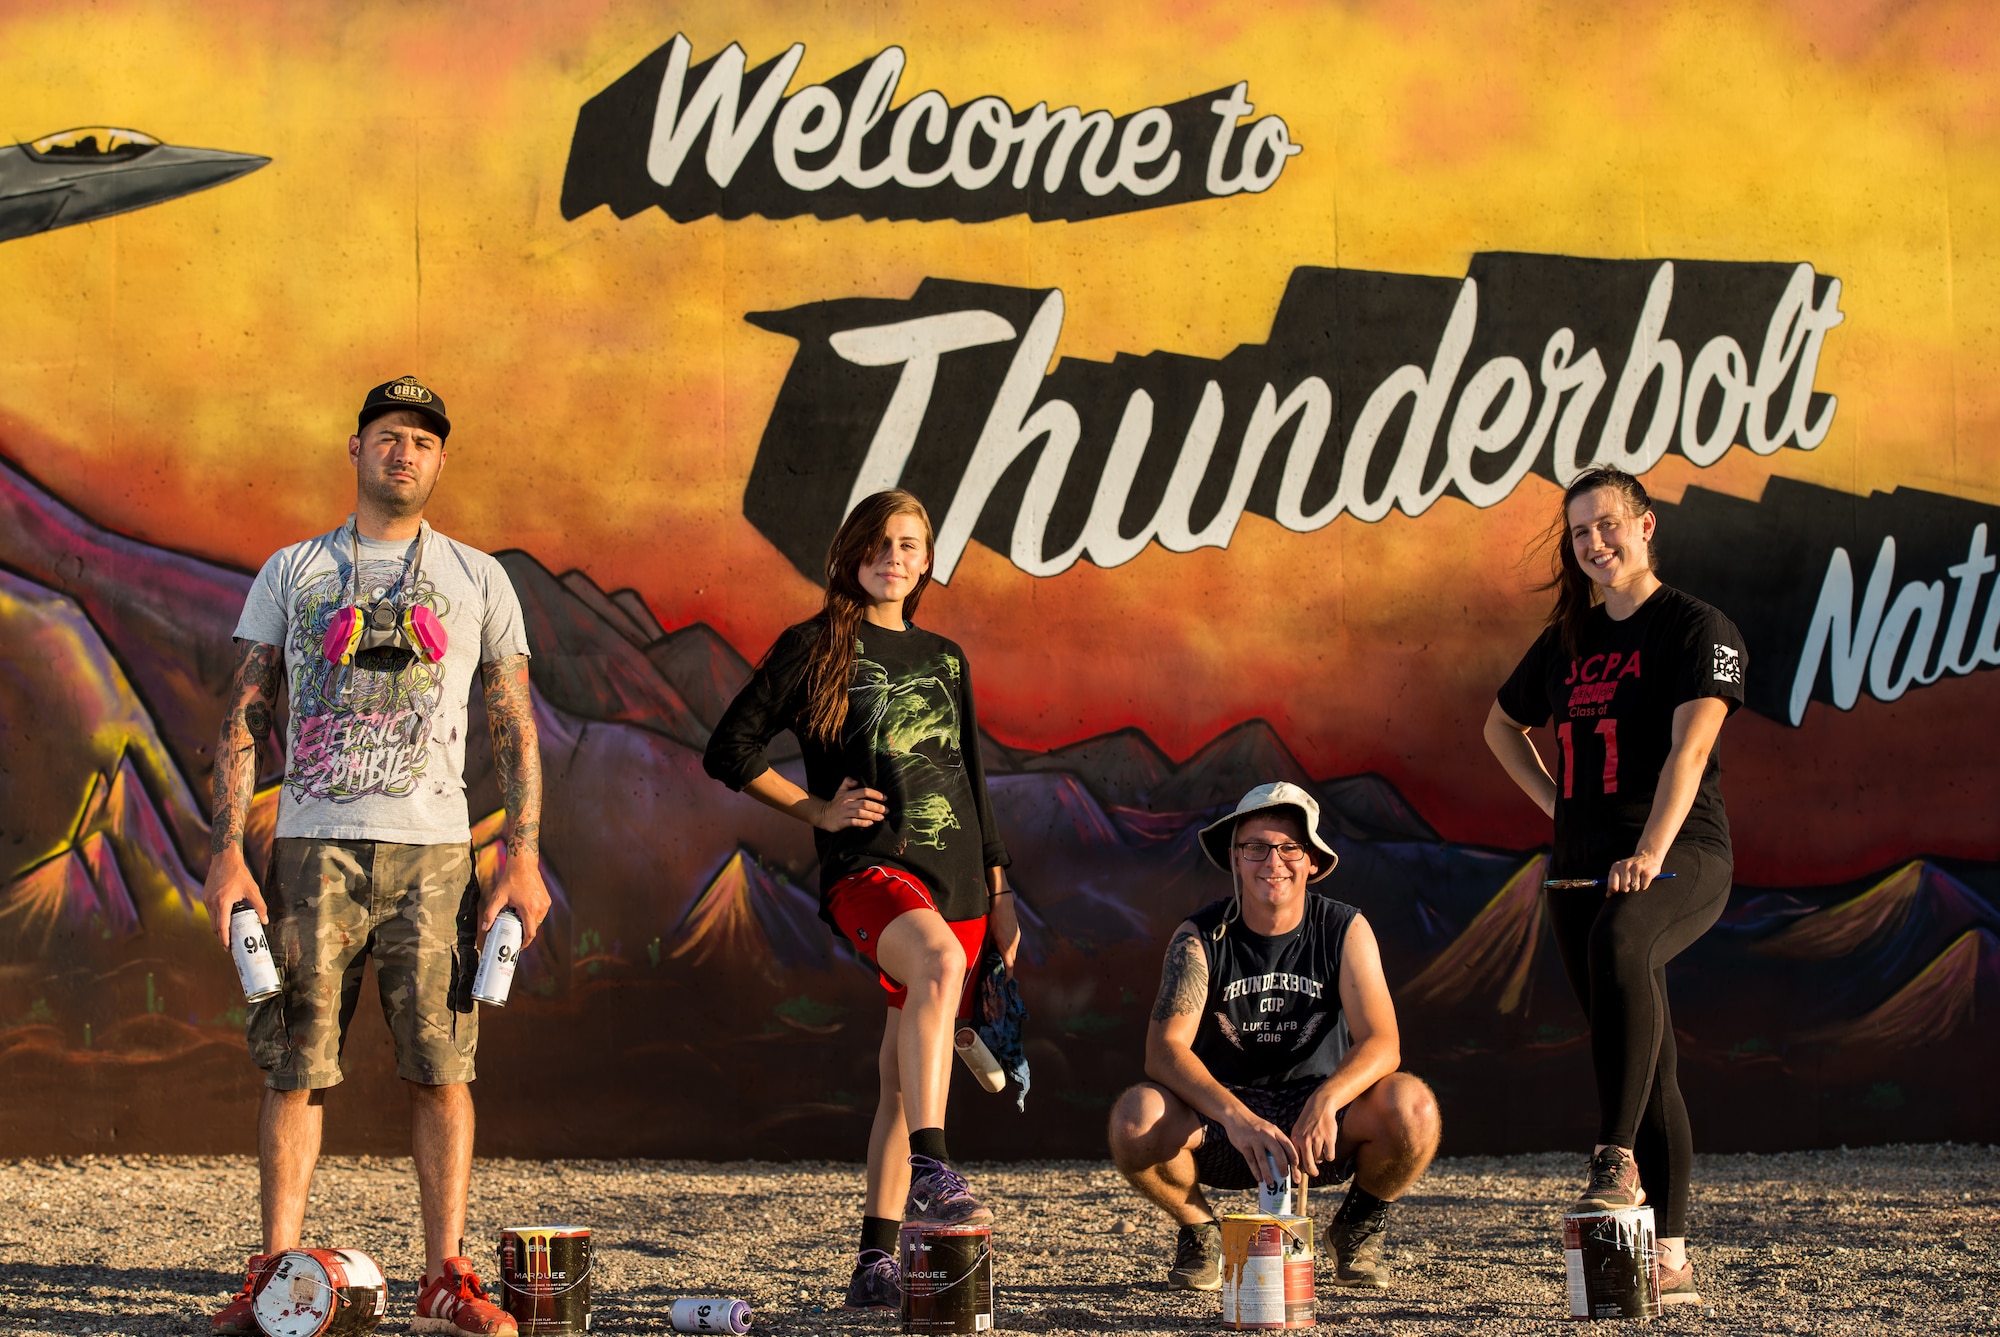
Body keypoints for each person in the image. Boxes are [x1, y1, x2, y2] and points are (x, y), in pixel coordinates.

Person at [201, 376, 551, 1337]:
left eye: (425, 442)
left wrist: (521, 858)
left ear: (441, 462)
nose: (406, 452)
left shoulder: (479, 577)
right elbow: (246, 710)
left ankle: (447, 1274)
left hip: (436, 855)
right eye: (389, 436)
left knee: (443, 1067)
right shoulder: (294, 570)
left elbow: (513, 723)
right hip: (312, 849)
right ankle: (274, 1270)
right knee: (294, 1066)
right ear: (353, 448)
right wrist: (229, 852)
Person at [702, 488, 1018, 1311]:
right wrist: (813, 808)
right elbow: (728, 746)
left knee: (898, 1076)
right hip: (869, 870)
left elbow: (972, 784)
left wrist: (1001, 889)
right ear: (850, 554)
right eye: (879, 543)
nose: (894, 557)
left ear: (927, 558)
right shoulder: (812, 648)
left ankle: (875, 1261)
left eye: (910, 544)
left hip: (958, 881)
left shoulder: (946, 658)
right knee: (938, 966)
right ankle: (935, 1164)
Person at [1483, 465, 1745, 1308]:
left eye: (1608, 525)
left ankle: (1613, 1158)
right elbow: (1500, 724)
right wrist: (1559, 807)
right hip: (1580, 862)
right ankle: (1669, 1254)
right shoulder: (1568, 637)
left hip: (1679, 852)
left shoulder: (1699, 627)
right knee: (1644, 1050)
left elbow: (1689, 753)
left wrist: (1649, 849)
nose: (1595, 544)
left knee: (1623, 939)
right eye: (1580, 532)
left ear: (1645, 525)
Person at [1107, 782, 1442, 1293]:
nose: (1273, 861)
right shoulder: (1198, 937)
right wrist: (1237, 1118)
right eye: (1256, 847)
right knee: (1135, 1119)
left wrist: (1329, 1099)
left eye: (1290, 847)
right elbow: (1164, 1049)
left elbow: (1382, 1042)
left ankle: (1356, 1227)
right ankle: (1201, 1233)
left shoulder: (1344, 928)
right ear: (1235, 859)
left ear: (1311, 860)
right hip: (1223, 1121)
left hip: (1320, 1125)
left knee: (1413, 1107)